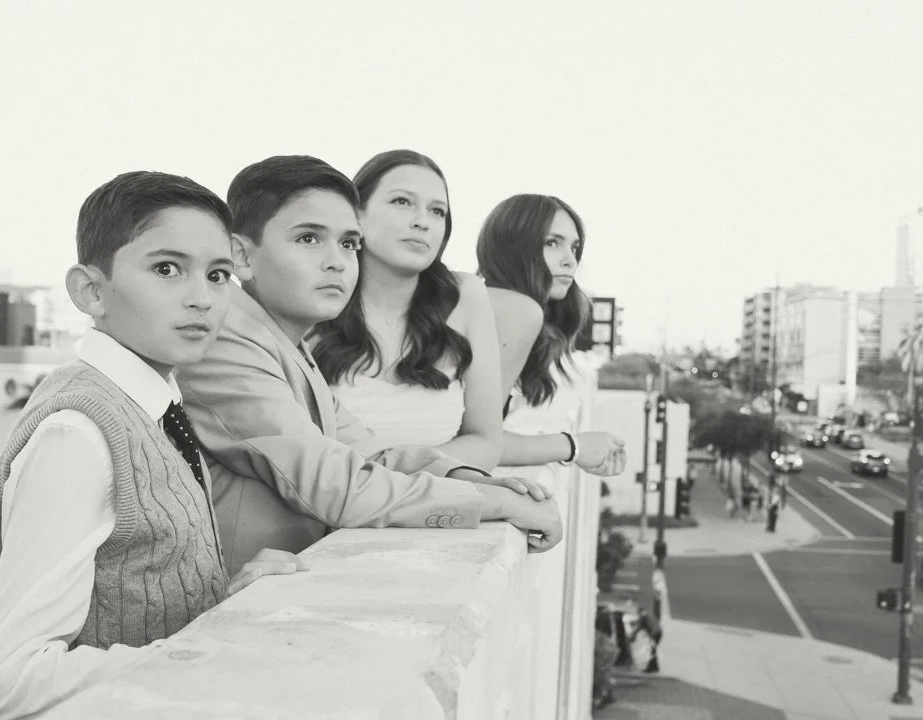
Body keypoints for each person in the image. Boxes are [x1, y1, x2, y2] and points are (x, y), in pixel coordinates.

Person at [0, 171, 305, 720]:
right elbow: (10, 681)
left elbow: (140, 591)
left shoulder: (160, 408)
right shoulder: (77, 433)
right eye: (167, 269)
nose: (202, 298)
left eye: (218, 274)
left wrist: (225, 600)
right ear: (90, 291)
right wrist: (207, 656)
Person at [177, 155, 562, 574]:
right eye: (308, 239)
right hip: (224, 612)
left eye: (348, 243)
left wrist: (479, 481)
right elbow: (333, 483)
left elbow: (372, 451)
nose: (336, 261)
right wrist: (493, 503)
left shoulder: (282, 340)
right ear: (241, 257)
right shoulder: (222, 338)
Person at [311, 150, 502, 471]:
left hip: (430, 511)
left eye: (437, 211)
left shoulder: (465, 295)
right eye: (402, 201)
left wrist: (389, 478)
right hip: (330, 515)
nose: (421, 221)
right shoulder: (315, 296)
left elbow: (486, 443)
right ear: (357, 215)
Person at [476, 194, 626, 475]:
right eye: (552, 243)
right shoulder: (517, 310)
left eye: (574, 247)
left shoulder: (484, 301)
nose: (570, 260)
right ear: (513, 247)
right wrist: (575, 447)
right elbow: (475, 444)